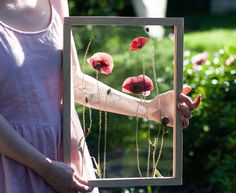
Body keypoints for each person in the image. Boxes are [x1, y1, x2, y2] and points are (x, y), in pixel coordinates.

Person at [0, 0, 201, 193]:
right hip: (12, 160)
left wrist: (149, 108)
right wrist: (44, 167)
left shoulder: (56, 2)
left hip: (67, 158)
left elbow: (75, 83)